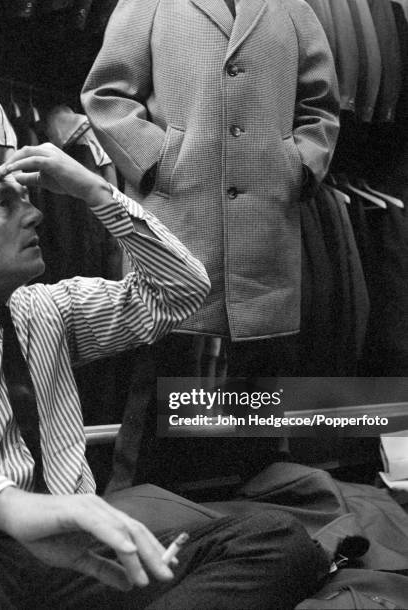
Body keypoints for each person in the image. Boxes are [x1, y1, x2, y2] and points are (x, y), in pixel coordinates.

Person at [0, 144, 328, 609]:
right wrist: (11, 507)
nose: (33, 215)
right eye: (6, 205)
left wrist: (92, 189)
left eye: (29, 201)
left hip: (75, 562)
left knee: (279, 540)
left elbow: (182, 294)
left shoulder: (50, 310)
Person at [80, 0, 341, 488]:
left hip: (264, 237)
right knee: (156, 403)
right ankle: (145, 527)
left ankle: (255, 531)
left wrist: (299, 165)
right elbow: (106, 94)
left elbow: (319, 106)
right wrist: (159, 159)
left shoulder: (294, 9)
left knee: (255, 415)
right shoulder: (149, 4)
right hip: (178, 224)